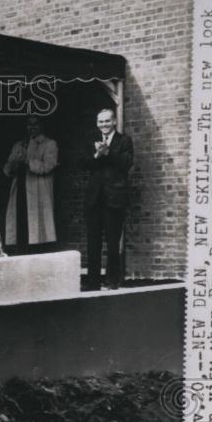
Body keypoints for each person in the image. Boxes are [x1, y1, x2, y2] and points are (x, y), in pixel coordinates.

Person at [81, 108, 134, 290]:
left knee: (112, 242)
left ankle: (112, 280)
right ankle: (93, 281)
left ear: (113, 122)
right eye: (100, 122)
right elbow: (84, 164)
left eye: (106, 121)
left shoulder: (124, 141)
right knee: (93, 241)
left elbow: (126, 164)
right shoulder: (91, 140)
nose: (103, 125)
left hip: (114, 199)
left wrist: (108, 153)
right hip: (94, 199)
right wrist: (96, 155)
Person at [3, 116, 58, 254]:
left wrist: (27, 160)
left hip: (38, 192)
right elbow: (7, 170)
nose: (32, 127)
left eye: (35, 124)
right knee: (21, 227)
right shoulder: (19, 145)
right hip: (20, 190)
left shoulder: (49, 144)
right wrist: (13, 163)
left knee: (37, 230)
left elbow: (48, 166)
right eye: (29, 124)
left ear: (41, 126)